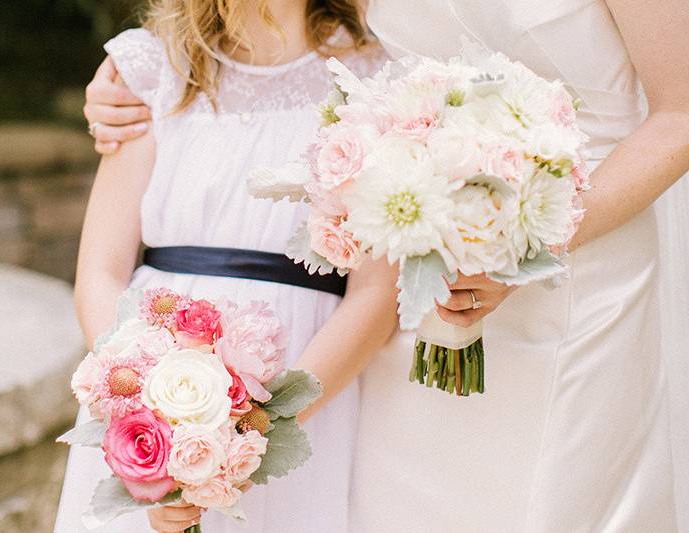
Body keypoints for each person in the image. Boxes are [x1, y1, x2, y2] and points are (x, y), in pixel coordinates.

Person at [83, 0, 689, 531]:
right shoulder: (163, 74)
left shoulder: (349, 70)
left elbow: (680, 113)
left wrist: (519, 245)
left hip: (577, 266)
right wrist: (136, 70)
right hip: (418, 280)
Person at [54, 1, 397, 532]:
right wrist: (141, 406)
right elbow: (99, 273)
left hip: (305, 389)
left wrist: (261, 426)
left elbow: (375, 295)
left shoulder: (376, 78)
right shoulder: (153, 68)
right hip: (150, 382)